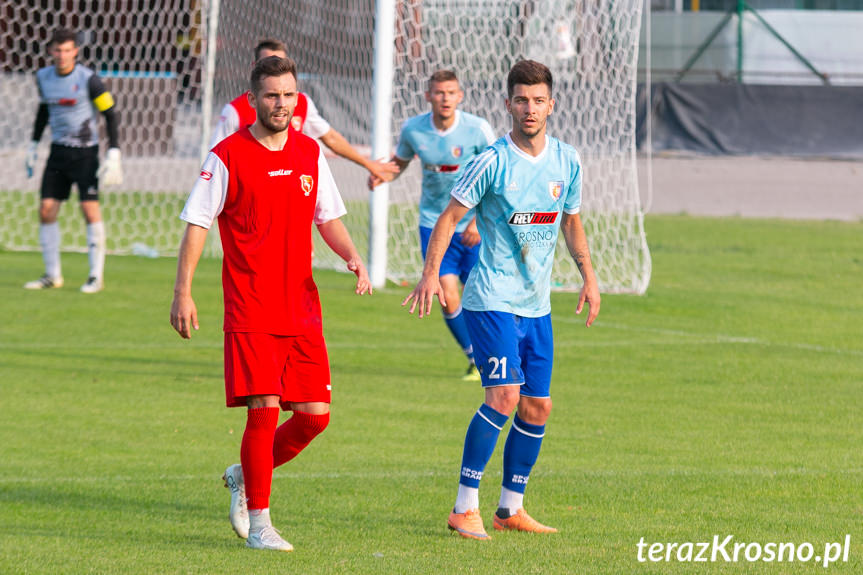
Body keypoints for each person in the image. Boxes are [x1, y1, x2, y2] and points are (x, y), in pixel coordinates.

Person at [170, 55, 372, 552]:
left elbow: (327, 217)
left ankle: (244, 473)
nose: (281, 104)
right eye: (271, 96)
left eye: (288, 95)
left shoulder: (308, 152)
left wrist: (352, 256)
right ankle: (260, 524)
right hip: (251, 305)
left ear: (297, 97)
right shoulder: (227, 156)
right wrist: (183, 291)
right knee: (262, 411)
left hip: (302, 306)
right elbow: (197, 223)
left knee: (314, 417)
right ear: (253, 99)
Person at [403, 60, 601, 540]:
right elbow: (449, 218)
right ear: (507, 104)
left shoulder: (567, 160)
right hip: (491, 299)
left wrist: (589, 278)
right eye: (520, 100)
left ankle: (510, 509)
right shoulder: (491, 160)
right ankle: (462, 506)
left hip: (537, 304)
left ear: (551, 105)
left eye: (538, 100)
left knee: (538, 407)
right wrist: (431, 274)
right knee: (504, 397)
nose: (529, 109)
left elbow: (571, 221)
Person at [369, 70, 495, 381]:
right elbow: (401, 161)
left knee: (484, 296)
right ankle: (476, 360)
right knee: (447, 294)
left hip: (474, 225)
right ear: (428, 96)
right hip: (434, 224)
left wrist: (478, 221)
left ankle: (498, 354)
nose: (445, 98)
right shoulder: (414, 129)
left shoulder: (478, 130)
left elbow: (496, 176)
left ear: (460, 96)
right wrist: (383, 174)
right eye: (439, 93)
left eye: (451, 92)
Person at [211, 38, 396, 184]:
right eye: (267, 63)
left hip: (291, 191)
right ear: (255, 67)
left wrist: (367, 163)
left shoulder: (302, 102)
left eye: (280, 63)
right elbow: (216, 161)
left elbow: (330, 138)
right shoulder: (235, 110)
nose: (281, 103)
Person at [24, 28, 123, 293]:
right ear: (50, 51)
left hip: (85, 154)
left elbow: (110, 114)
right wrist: (33, 144)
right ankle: (52, 275)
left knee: (89, 210)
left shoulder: (89, 79)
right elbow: (44, 110)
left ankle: (95, 276)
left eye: (68, 50)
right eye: (58, 50)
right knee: (46, 209)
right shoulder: (43, 77)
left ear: (75, 51)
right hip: (58, 153)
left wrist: (114, 151)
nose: (62, 55)